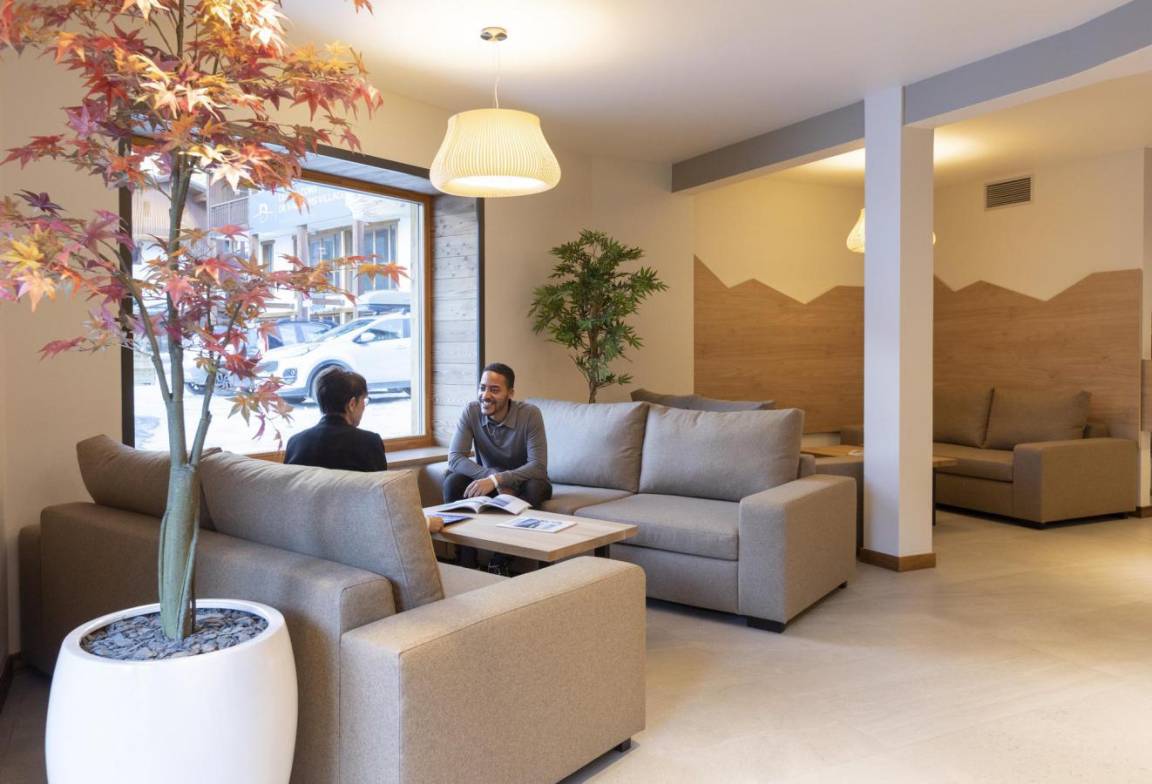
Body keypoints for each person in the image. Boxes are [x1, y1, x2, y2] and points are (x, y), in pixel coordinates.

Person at [445, 362, 551, 573]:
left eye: (494, 390)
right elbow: (455, 458)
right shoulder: (471, 411)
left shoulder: (530, 414)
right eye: (482, 387)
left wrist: (499, 479)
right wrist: (491, 477)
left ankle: (500, 560)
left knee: (535, 486)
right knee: (453, 481)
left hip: (525, 483)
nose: (485, 395)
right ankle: (467, 561)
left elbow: (538, 466)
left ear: (510, 393)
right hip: (491, 484)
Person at [284, 368, 388, 472]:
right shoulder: (369, 443)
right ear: (352, 404)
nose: (364, 406)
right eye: (363, 400)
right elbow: (381, 482)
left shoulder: (295, 443)